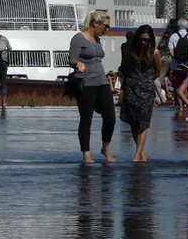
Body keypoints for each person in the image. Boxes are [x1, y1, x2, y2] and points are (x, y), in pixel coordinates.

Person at [68, 9, 116, 164]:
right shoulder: (79, 38)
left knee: (110, 117)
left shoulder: (97, 39)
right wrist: (79, 63)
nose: (107, 29)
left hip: (101, 81)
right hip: (86, 82)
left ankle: (105, 148)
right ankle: (86, 153)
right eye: (105, 26)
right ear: (95, 24)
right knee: (86, 119)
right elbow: (71, 59)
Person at [119, 24, 162, 163]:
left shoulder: (155, 53)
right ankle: (141, 150)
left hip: (146, 89)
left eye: (146, 40)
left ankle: (137, 154)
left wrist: (147, 80)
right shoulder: (131, 52)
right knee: (133, 121)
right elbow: (125, 67)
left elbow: (157, 72)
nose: (143, 43)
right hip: (131, 86)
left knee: (143, 122)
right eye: (141, 39)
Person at [166, 19, 188, 118]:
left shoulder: (173, 36)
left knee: (177, 87)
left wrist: (177, 58)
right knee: (186, 86)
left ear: (178, 26)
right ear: (187, 27)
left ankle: (180, 107)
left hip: (176, 67)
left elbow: (170, 50)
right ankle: (186, 104)